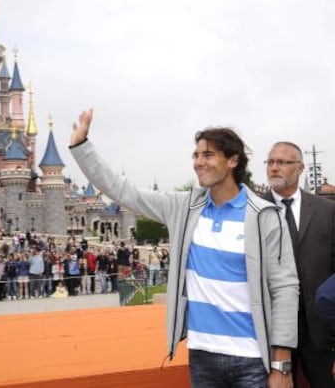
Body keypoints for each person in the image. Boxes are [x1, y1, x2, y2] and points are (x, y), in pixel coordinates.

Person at [69, 108, 299, 388]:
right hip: (202, 355)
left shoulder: (265, 215)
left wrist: (281, 365)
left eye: (208, 155)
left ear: (233, 161)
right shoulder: (184, 207)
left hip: (252, 360)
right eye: (196, 155)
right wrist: (82, 147)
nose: (198, 162)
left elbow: (285, 288)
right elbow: (124, 191)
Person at [264, 141, 335, 388]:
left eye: (282, 162)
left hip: (320, 329)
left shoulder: (328, 211)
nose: (274, 168)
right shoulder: (253, 211)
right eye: (270, 162)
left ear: (300, 167)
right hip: (272, 330)